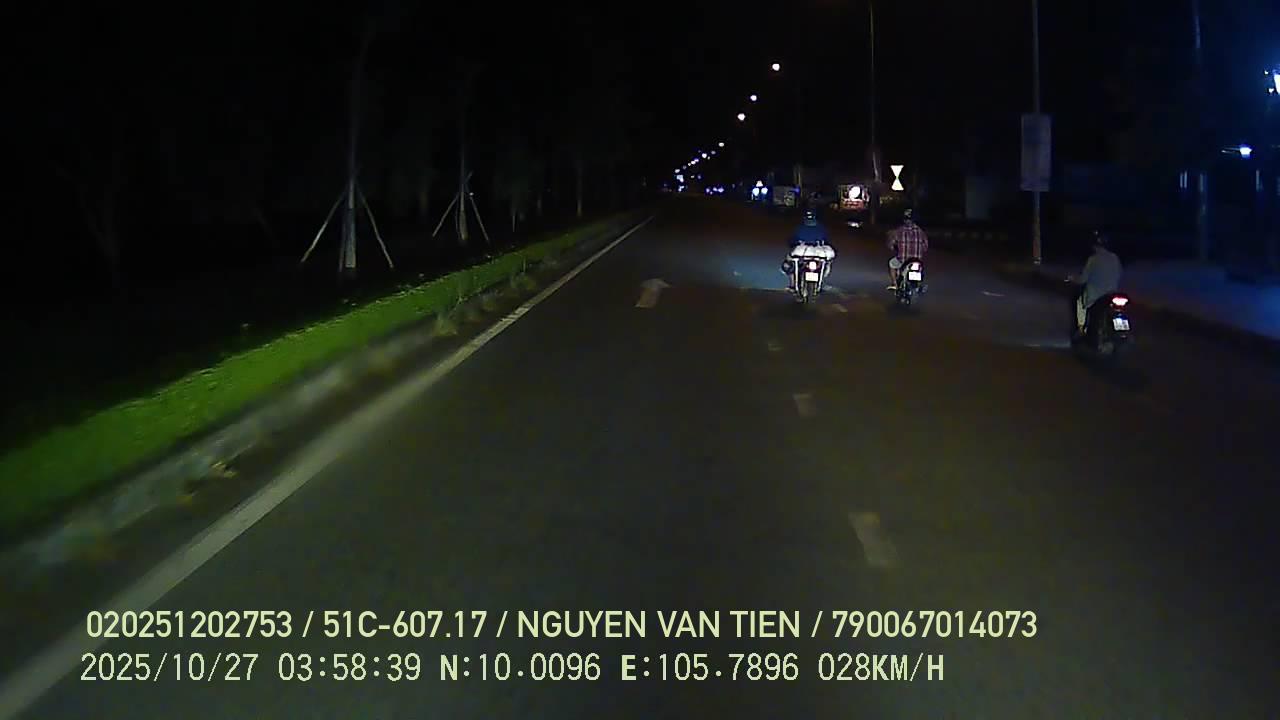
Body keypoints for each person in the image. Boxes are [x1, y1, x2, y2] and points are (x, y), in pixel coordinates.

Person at [1069, 231, 1123, 338]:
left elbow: (1083, 279)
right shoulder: (1114, 258)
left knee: (1079, 302)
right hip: (1112, 294)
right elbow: (1120, 273)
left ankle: (1081, 329)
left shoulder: (1093, 260)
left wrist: (1072, 279)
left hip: (1095, 296)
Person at [782, 208, 835, 291]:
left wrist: (792, 244)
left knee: (790, 263)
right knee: (826, 263)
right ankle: (820, 282)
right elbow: (826, 240)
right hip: (817, 252)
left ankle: (793, 285)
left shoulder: (800, 227)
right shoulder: (821, 227)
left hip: (803, 252)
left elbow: (792, 240)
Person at [886, 208, 929, 290]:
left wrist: (893, 246)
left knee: (891, 263)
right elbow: (925, 247)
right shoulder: (921, 232)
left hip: (903, 260)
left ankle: (894, 284)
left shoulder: (899, 231)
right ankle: (918, 284)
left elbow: (891, 244)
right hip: (917, 260)